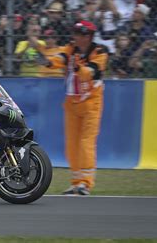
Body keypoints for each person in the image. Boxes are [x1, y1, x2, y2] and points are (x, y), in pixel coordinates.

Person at [35, 21, 108, 195]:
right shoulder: (71, 48)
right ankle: (76, 182)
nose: (74, 37)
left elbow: (90, 73)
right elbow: (61, 58)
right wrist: (47, 62)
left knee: (86, 142)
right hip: (71, 103)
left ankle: (86, 182)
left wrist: (76, 66)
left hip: (92, 103)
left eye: (78, 34)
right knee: (71, 144)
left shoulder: (100, 52)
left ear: (88, 36)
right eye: (74, 33)